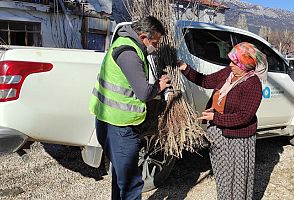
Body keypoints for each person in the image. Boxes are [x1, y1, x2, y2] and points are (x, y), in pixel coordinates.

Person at [89, 16, 170, 200]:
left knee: (121, 177)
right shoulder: (129, 53)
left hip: (108, 120)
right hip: (119, 127)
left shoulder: (122, 41)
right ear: (143, 37)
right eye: (155, 42)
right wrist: (159, 85)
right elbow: (143, 93)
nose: (155, 47)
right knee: (131, 183)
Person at [178, 42, 268, 200]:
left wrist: (215, 117)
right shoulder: (228, 73)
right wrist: (185, 68)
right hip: (218, 133)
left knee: (237, 179)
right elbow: (205, 81)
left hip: (238, 139)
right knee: (222, 176)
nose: (230, 64)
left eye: (234, 62)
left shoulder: (252, 84)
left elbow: (244, 116)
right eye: (231, 61)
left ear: (245, 65)